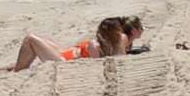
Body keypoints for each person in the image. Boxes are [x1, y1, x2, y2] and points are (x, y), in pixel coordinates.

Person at [11, 14, 143, 70]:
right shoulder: (121, 41)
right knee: (32, 41)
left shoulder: (120, 41)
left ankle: (18, 70)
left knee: (31, 39)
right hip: (64, 56)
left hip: (64, 60)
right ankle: (17, 68)